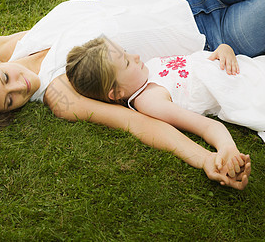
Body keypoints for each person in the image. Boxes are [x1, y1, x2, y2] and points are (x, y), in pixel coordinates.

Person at [0, 0, 265, 190]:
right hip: (218, 35)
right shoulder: (59, 94)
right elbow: (137, 123)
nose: (22, 85)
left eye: (5, 79)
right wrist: (203, 158)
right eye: (11, 101)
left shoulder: (11, 47)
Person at [66, 36, 264, 184]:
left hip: (245, 68)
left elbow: (197, 63)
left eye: (126, 51)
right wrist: (227, 147)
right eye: (127, 62)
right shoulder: (150, 101)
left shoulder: (146, 71)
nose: (135, 56)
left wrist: (224, 49)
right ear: (116, 92)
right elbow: (205, 126)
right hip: (248, 91)